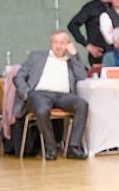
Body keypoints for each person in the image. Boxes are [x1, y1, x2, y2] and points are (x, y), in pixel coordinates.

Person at [12, 30, 88, 160]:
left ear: (68, 44)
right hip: (39, 94)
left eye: (62, 43)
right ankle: (51, 148)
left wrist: (74, 53)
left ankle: (73, 147)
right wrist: (25, 92)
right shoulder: (37, 56)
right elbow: (19, 76)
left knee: (82, 104)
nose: (59, 46)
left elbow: (82, 76)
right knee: (42, 109)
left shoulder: (71, 61)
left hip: (63, 96)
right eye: (55, 42)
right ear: (50, 44)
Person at [67, 0, 113, 66]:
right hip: (99, 54)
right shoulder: (90, 7)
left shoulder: (117, 7)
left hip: (118, 53)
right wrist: (87, 45)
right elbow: (72, 25)